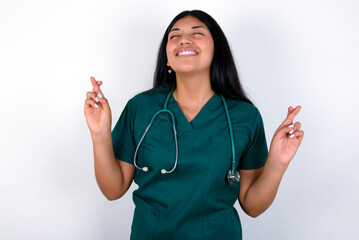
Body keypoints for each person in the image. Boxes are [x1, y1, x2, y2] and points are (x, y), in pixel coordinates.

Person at [84, 10, 304, 240]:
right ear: (167, 57)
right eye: (174, 36)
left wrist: (277, 163)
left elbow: (253, 206)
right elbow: (113, 190)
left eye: (197, 33)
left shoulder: (244, 116)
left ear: (217, 50)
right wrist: (99, 134)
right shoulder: (141, 108)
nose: (184, 40)